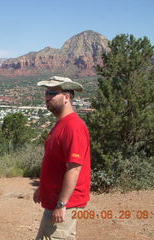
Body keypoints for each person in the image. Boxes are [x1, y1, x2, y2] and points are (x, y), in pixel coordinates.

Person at [34, 76, 91, 240]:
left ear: (67, 97)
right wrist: (42, 188)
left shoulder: (73, 127)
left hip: (64, 204)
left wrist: (62, 204)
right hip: (54, 202)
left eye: (52, 93)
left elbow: (73, 169)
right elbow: (56, 163)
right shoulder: (61, 124)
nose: (47, 97)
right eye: (46, 93)